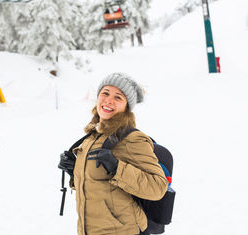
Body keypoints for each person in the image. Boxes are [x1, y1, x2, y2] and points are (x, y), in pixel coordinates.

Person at [58, 73, 168, 235]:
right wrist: (74, 171)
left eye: (118, 97)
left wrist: (118, 168)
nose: (109, 100)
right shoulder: (92, 137)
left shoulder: (133, 139)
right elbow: (99, 186)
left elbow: (158, 187)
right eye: (105, 93)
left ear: (126, 107)